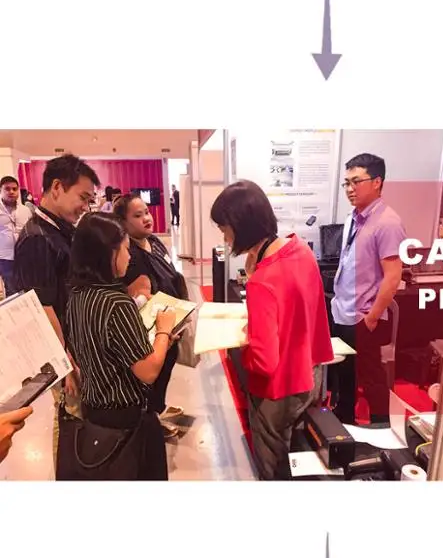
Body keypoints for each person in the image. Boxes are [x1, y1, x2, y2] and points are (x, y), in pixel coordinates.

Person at [210, 180, 333, 481]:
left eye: (224, 229)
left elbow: (264, 363)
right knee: (302, 455)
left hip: (278, 389)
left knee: (273, 465)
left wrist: (244, 344)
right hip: (311, 372)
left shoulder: (262, 280)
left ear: (240, 226)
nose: (225, 237)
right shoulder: (300, 249)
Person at [63, 210, 178, 479]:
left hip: (94, 411)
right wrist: (163, 331)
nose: (129, 256)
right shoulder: (117, 303)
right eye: (125, 249)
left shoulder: (77, 295)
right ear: (108, 254)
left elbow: (103, 348)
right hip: (126, 418)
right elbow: (148, 371)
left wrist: (157, 341)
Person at [331, 153, 405, 427]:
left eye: (356, 181)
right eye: (347, 183)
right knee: (344, 371)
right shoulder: (352, 218)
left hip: (364, 315)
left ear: (377, 182)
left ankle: (381, 426)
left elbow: (392, 277)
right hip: (343, 309)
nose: (350, 189)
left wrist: (372, 317)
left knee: (371, 376)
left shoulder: (388, 222)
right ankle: (344, 419)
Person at [114, 192, 189, 418]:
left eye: (146, 212)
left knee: (168, 364)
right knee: (151, 374)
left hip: (171, 318)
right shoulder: (128, 254)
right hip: (151, 326)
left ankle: (158, 408)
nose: (147, 218)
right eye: (138, 215)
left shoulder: (154, 242)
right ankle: (150, 418)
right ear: (123, 222)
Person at [14, 153, 100, 340]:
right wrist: (64, 356)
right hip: (65, 342)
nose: (86, 207)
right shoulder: (37, 239)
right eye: (83, 198)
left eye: (89, 201)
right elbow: (42, 309)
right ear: (57, 187)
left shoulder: (61, 229)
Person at [0, 171, 25, 297]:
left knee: (28, 287)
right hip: (6, 258)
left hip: (25, 256)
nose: (11, 192)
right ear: (1, 190)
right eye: (7, 189)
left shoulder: (26, 210)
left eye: (14, 189)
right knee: (11, 289)